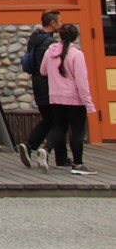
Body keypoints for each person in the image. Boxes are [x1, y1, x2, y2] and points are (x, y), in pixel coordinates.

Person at [39, 23, 97, 175]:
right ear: (75, 37)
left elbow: (42, 71)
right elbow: (82, 81)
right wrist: (88, 102)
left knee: (59, 128)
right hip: (74, 98)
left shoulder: (50, 51)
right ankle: (78, 164)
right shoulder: (77, 54)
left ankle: (46, 149)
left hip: (55, 97)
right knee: (77, 131)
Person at [18, 10, 69, 170]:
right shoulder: (49, 44)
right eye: (59, 21)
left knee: (49, 120)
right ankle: (46, 151)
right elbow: (50, 68)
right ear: (52, 23)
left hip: (37, 84)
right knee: (58, 121)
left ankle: (31, 146)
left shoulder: (35, 38)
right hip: (48, 86)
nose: (61, 24)